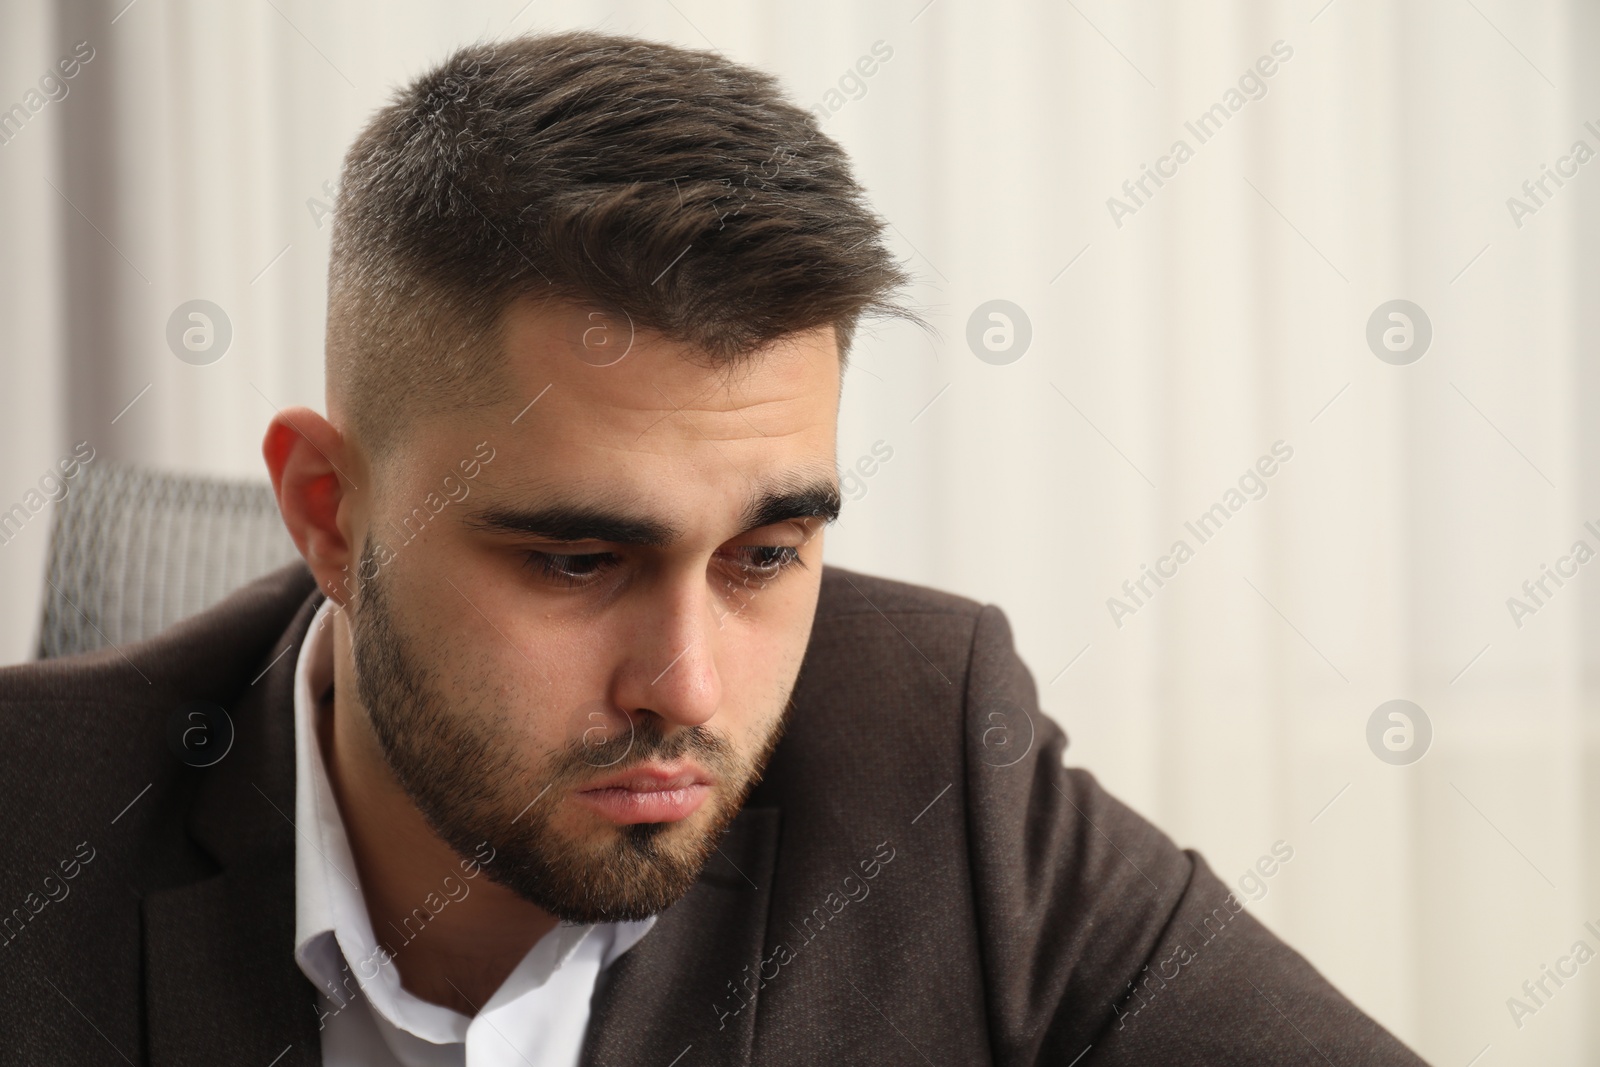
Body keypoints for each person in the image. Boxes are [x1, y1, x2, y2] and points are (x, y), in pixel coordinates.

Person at [0, 30, 1429, 1066]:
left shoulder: (934, 758)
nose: (687, 689)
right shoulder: (32, 827)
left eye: (764, 556)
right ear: (328, 510)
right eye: (575, 560)